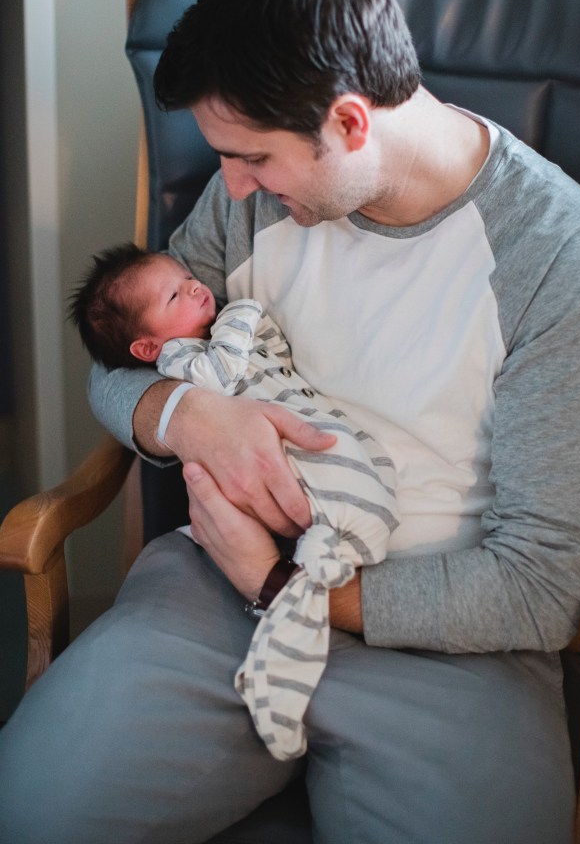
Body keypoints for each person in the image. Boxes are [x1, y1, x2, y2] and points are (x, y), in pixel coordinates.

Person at [0, 0, 580, 844]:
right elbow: (123, 363)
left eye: (252, 158)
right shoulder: (252, 202)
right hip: (212, 603)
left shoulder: (554, 253)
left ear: (348, 123)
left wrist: (285, 583)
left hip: (449, 646)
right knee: (31, 813)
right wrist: (188, 414)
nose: (229, 186)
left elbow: (542, 585)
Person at [68, 243, 398, 760]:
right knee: (320, 559)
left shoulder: (210, 335)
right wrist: (241, 313)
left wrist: (249, 328)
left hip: (323, 443)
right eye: (175, 295)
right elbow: (216, 376)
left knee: (361, 491)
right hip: (289, 476)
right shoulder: (182, 358)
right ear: (148, 348)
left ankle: (306, 588)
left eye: (187, 277)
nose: (195, 286)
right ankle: (277, 677)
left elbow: (274, 356)